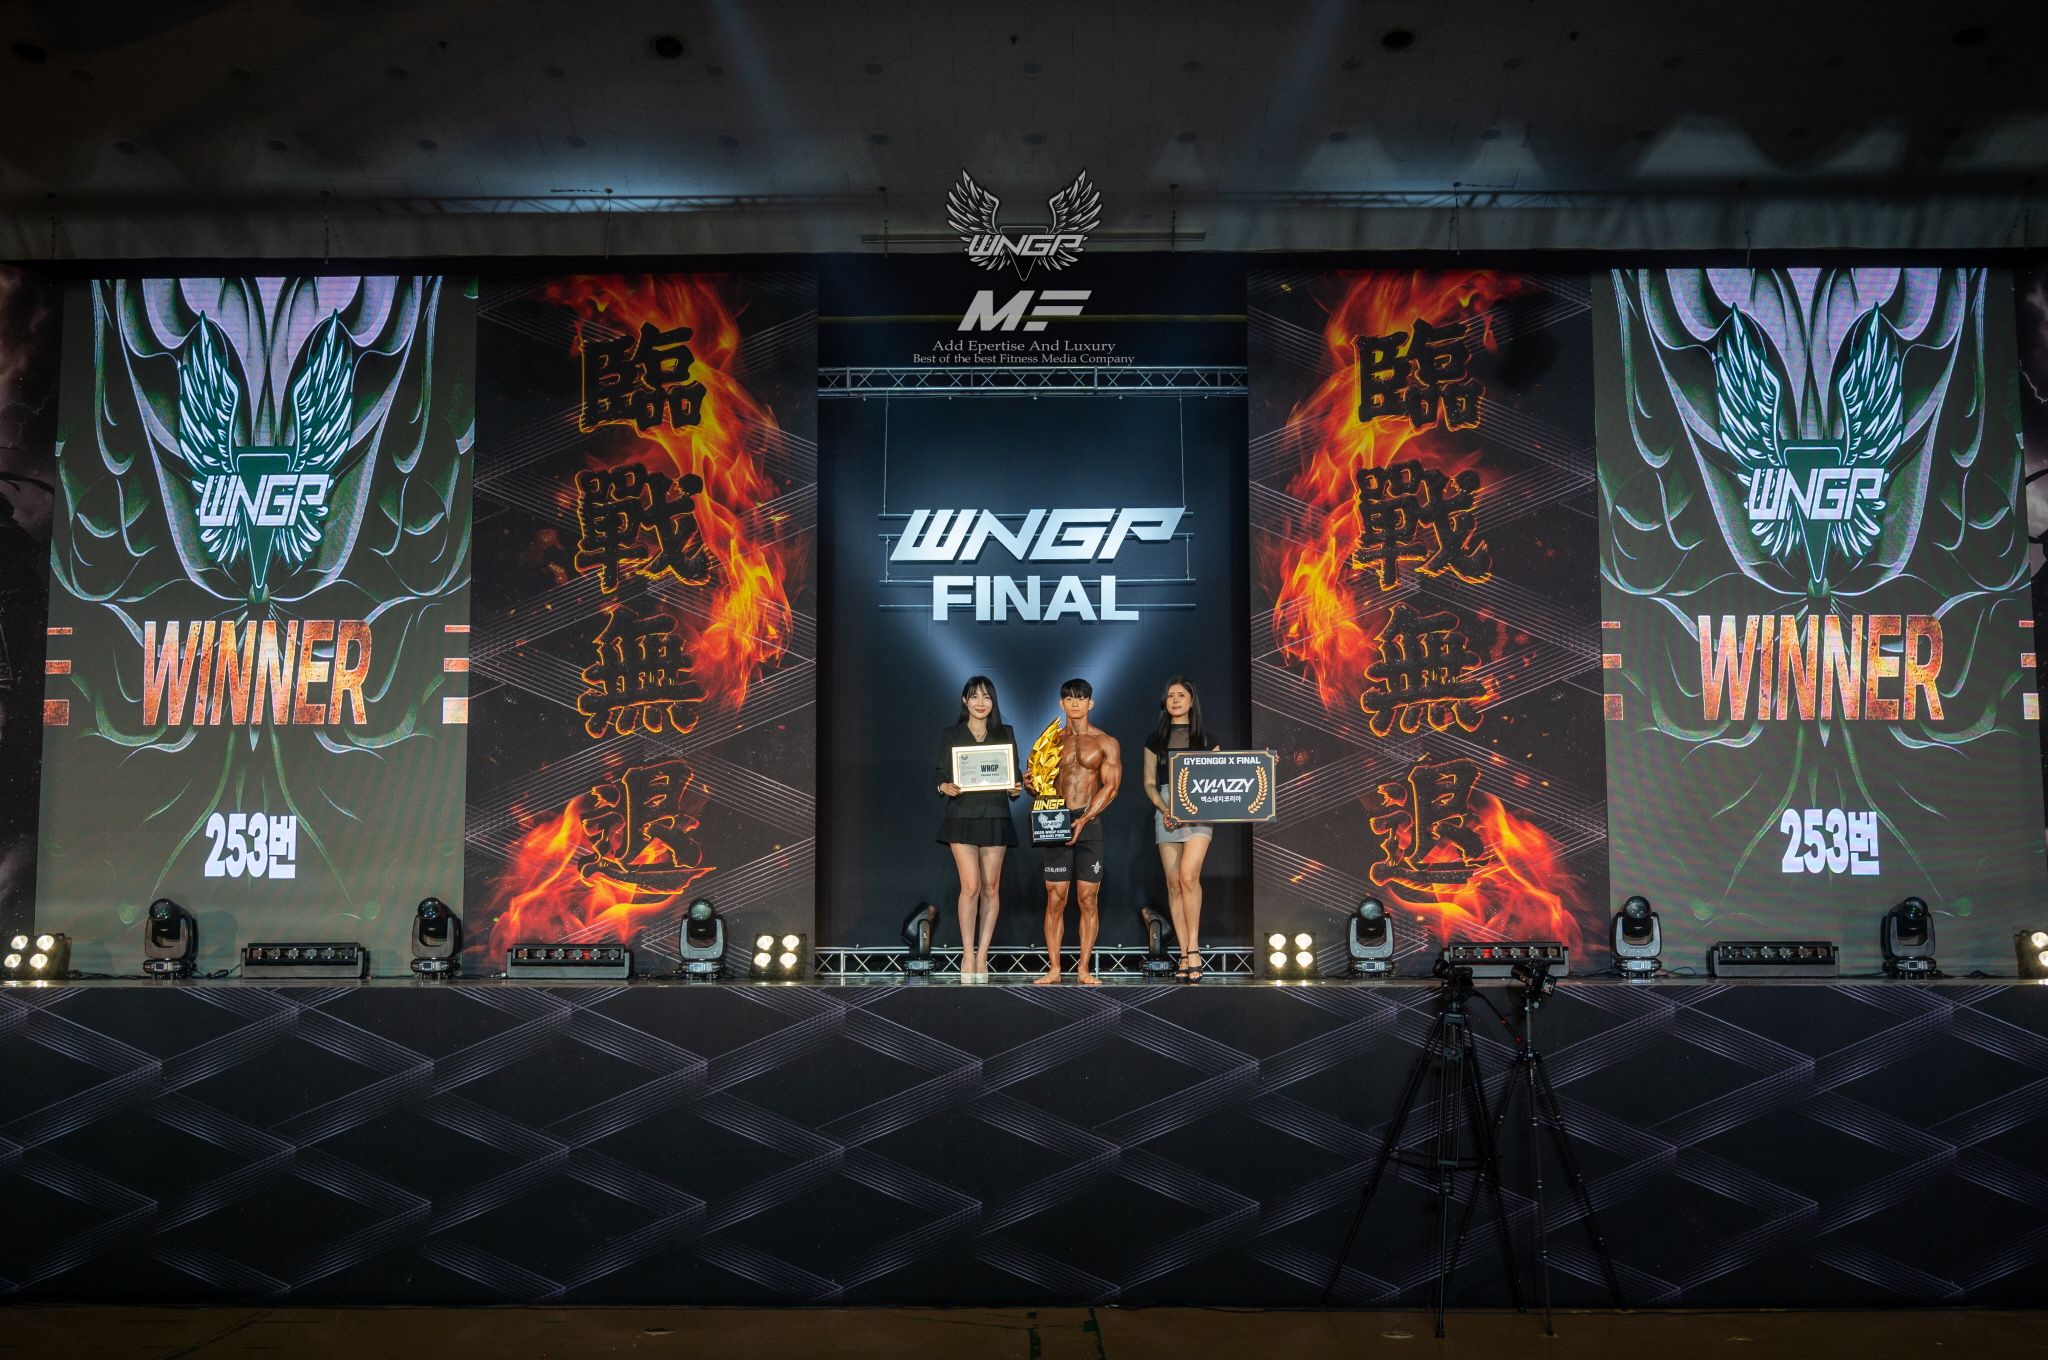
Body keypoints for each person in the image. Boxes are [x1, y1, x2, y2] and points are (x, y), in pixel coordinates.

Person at [1032, 678, 1121, 986]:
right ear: (1061, 704)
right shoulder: (1049, 742)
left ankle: (1083, 969)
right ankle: (1054, 969)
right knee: (1055, 897)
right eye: (1069, 698)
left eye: (1080, 698)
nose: (1074, 703)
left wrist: (1084, 818)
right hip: (1055, 821)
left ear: (1090, 703)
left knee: (1088, 898)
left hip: (1089, 821)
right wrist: (1031, 784)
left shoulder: (1105, 742)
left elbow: (1111, 787)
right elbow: (1038, 783)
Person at [935, 676, 1023, 977]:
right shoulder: (952, 734)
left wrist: (1015, 788)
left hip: (996, 815)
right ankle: (967, 955)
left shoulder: (1005, 733)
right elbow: (940, 773)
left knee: (990, 888)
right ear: (965, 701)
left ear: (993, 701)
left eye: (986, 697)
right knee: (970, 887)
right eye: (974, 697)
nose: (980, 703)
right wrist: (943, 786)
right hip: (962, 815)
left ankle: (982, 955)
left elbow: (1014, 775)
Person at [1141, 676, 1219, 981]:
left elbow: (1225, 775)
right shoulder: (1154, 740)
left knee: (1188, 875)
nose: (1175, 700)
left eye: (1181, 695)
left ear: (1191, 700)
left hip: (1200, 808)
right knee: (1174, 883)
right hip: (1167, 807)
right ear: (1165, 702)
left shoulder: (1207, 740)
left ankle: (1194, 949)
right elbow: (1149, 782)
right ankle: (1184, 954)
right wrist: (1165, 809)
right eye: (1170, 695)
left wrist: (1258, 767)